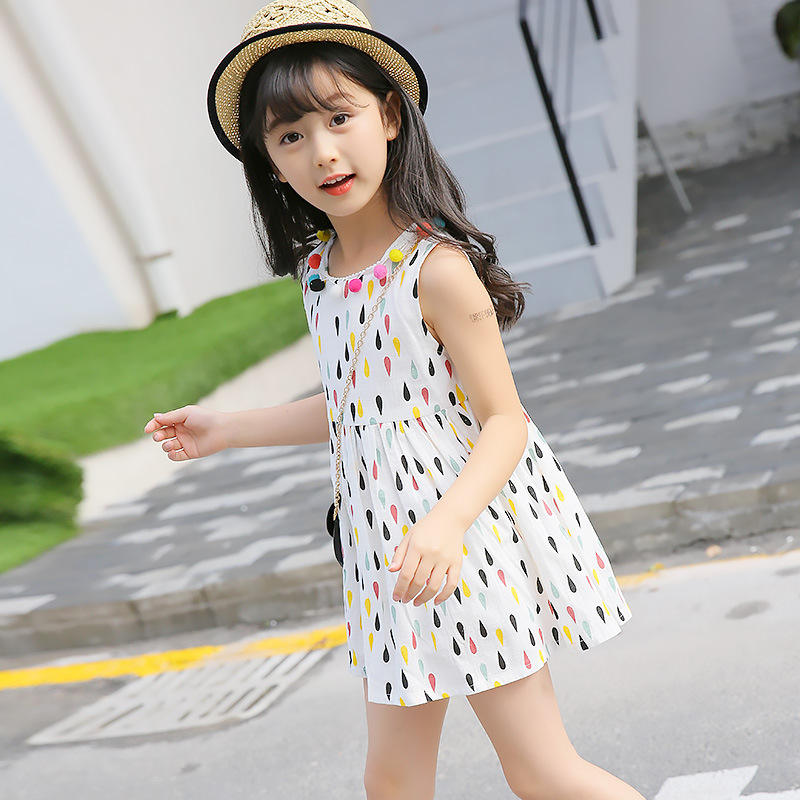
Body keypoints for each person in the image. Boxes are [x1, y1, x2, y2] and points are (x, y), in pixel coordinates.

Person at [144, 2, 645, 798]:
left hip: (463, 546)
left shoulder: (436, 270)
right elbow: (360, 410)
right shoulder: (321, 274)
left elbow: (506, 422)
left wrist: (446, 525)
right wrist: (225, 429)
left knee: (540, 771)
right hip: (386, 558)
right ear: (269, 162)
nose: (322, 151)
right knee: (393, 782)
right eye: (290, 135)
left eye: (339, 117)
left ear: (387, 116)